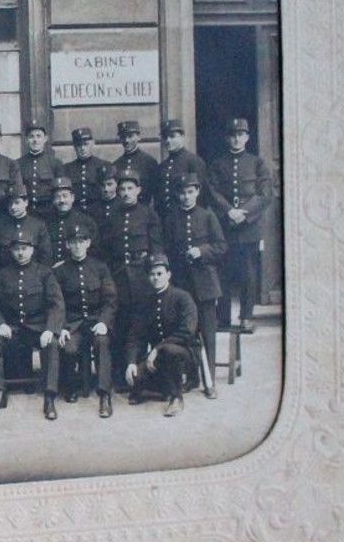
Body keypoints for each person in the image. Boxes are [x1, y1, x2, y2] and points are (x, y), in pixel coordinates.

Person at [0, 225, 63, 418]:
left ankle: (49, 395)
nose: (20, 253)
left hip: (37, 328)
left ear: (32, 249)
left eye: (24, 249)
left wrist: (50, 329)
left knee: (52, 343)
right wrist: (1, 323)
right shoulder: (3, 274)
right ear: (11, 251)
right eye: (16, 249)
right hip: (13, 328)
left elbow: (56, 304)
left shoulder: (44, 273)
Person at [207, 118, 274, 334]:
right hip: (225, 227)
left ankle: (246, 317)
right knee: (224, 273)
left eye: (240, 135)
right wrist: (229, 211)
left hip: (249, 228)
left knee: (249, 273)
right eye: (232, 135)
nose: (236, 139)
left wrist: (244, 213)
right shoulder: (218, 164)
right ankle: (223, 317)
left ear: (247, 137)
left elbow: (265, 194)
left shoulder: (257, 163)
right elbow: (212, 192)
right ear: (227, 138)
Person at [163, 172, 226, 395]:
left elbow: (221, 247)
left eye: (190, 192)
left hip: (206, 286)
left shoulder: (208, 217)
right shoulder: (171, 219)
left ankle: (210, 383)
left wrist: (202, 251)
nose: (186, 197)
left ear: (197, 192)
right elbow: (167, 251)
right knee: (185, 333)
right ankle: (192, 377)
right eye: (182, 193)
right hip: (182, 286)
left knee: (208, 334)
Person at [52, 223, 118, 417]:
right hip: (73, 324)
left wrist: (104, 322)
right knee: (69, 347)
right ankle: (71, 386)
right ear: (67, 245)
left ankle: (104, 395)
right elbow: (57, 303)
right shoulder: (60, 270)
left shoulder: (100, 267)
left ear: (88, 243)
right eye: (73, 242)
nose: (78, 246)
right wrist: (62, 327)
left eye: (81, 241)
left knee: (102, 342)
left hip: (96, 320)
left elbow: (110, 299)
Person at [100, 169, 164, 363]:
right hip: (119, 273)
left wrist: (156, 276)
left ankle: (145, 369)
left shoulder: (148, 213)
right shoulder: (112, 216)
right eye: (122, 189)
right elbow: (107, 249)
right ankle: (121, 373)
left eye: (130, 188)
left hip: (142, 273)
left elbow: (157, 248)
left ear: (139, 190)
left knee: (144, 323)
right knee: (121, 322)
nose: (126, 193)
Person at [124, 254, 200, 417]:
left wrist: (158, 348)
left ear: (168, 275)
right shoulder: (146, 302)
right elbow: (135, 335)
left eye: (159, 273)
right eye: (152, 274)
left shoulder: (182, 297)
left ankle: (176, 397)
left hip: (184, 353)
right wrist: (131, 362)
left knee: (169, 352)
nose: (156, 278)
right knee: (135, 379)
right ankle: (164, 387)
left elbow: (188, 330)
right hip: (158, 356)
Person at [153, 118, 208, 217]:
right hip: (165, 219)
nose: (168, 140)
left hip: (185, 218)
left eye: (172, 136)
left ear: (182, 136)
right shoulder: (162, 166)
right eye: (165, 137)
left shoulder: (194, 161)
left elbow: (201, 196)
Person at [0, 184, 53, 270]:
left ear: (26, 202)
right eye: (10, 204)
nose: (13, 207)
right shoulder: (1, 226)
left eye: (17, 202)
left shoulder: (38, 225)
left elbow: (46, 255)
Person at [45, 176, 98, 261]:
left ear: (72, 197)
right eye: (57, 197)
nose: (61, 200)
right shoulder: (46, 222)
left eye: (65, 196)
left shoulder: (86, 221)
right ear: (53, 200)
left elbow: (93, 251)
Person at [17, 120, 61, 214]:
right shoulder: (19, 164)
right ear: (26, 140)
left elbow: (60, 191)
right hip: (28, 213)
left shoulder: (55, 163)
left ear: (45, 139)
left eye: (38, 136)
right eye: (31, 136)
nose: (35, 140)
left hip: (49, 212)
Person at [113, 120, 159, 203]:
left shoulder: (149, 162)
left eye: (130, 136)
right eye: (123, 137)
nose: (126, 140)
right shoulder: (116, 164)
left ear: (138, 137)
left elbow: (156, 193)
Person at [64, 127, 105, 215]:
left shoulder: (103, 165)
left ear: (92, 143)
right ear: (74, 146)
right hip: (76, 213)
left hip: (97, 212)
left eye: (86, 144)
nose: (82, 148)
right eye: (79, 145)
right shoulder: (67, 169)